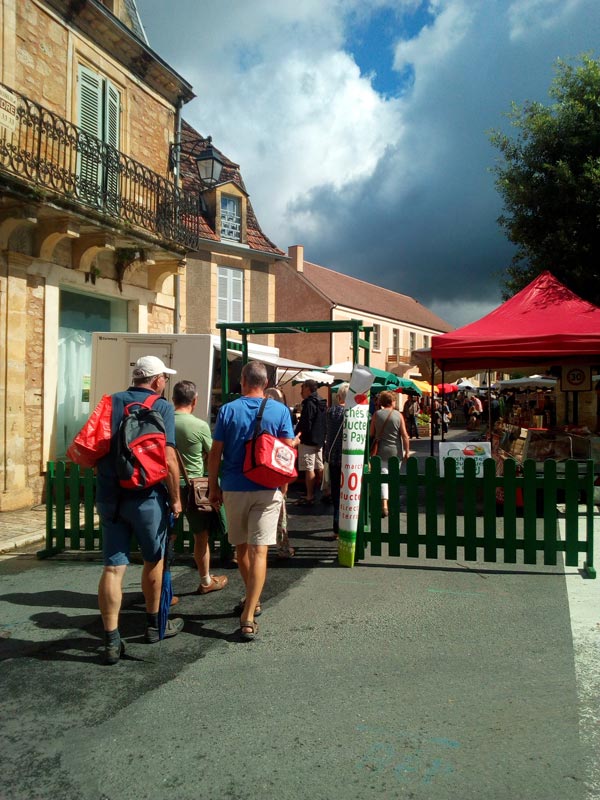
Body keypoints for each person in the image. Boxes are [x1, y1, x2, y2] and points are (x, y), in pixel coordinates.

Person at [96, 355, 183, 666]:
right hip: (147, 496)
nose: (165, 383)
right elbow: (169, 459)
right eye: (164, 378)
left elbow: (94, 447)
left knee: (112, 568)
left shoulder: (110, 402)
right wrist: (175, 498)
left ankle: (110, 640)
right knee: (153, 561)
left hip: (110, 495)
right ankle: (153, 626)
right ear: (157, 380)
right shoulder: (162, 406)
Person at [207, 361, 295, 640]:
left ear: (243, 381)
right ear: (267, 382)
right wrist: (283, 486)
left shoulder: (227, 410)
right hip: (267, 488)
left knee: (241, 550)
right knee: (260, 552)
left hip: (234, 486)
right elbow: (286, 450)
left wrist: (213, 487)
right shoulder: (280, 410)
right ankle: (248, 613)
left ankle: (251, 602)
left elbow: (215, 452)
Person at [173, 380, 229, 594]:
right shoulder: (199, 426)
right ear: (194, 401)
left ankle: (160, 587)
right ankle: (205, 580)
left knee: (166, 537)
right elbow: (212, 453)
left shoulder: (164, 422)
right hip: (193, 488)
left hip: (167, 485)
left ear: (173, 399)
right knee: (201, 536)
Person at [264, 386, 297, 558]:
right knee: (280, 513)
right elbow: (286, 450)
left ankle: (238, 551)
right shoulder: (281, 415)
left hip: (252, 472)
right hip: (275, 472)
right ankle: (283, 548)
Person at [369, 390, 410, 518]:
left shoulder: (376, 415)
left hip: (380, 450)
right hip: (395, 451)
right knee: (394, 477)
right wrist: (407, 451)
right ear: (392, 401)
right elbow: (404, 435)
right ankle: (393, 502)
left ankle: (384, 505)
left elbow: (371, 433)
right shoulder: (398, 415)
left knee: (383, 478)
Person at [294, 379, 327, 505]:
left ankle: (309, 495)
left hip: (308, 440)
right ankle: (326, 491)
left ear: (308, 388)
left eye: (302, 388)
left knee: (309, 468)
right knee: (319, 466)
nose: (301, 391)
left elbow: (306, 422)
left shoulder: (309, 403)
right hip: (319, 440)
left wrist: (298, 434)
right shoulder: (322, 401)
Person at [323, 382, 348, 539]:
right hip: (349, 458)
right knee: (350, 495)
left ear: (338, 397)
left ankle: (337, 528)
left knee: (337, 495)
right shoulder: (354, 413)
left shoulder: (330, 412)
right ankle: (350, 526)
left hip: (333, 458)